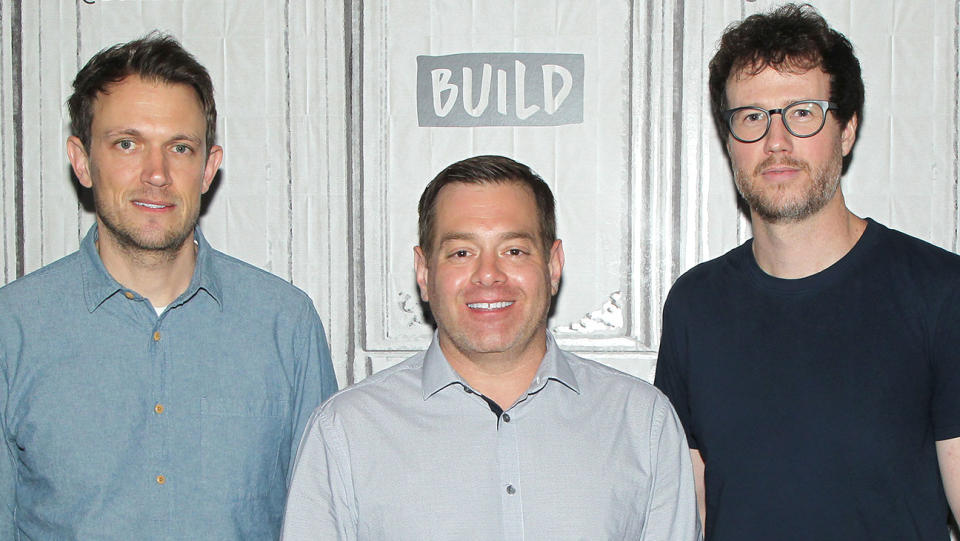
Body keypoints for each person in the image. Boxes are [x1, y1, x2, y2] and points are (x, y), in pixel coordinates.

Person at [0, 34, 338, 539]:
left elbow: (322, 522)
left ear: (208, 167)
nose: (156, 173)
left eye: (179, 148)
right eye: (127, 144)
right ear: (81, 160)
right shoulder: (13, 328)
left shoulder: (284, 324)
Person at [654, 4, 960, 540]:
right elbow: (693, 508)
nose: (775, 142)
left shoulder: (939, 292)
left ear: (846, 131)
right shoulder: (694, 305)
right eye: (752, 116)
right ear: (729, 141)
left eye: (802, 112)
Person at [280, 155, 701, 540]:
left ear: (553, 266)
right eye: (462, 253)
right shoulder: (347, 433)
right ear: (424, 273)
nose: (488, 275)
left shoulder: (643, 424)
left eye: (514, 250)